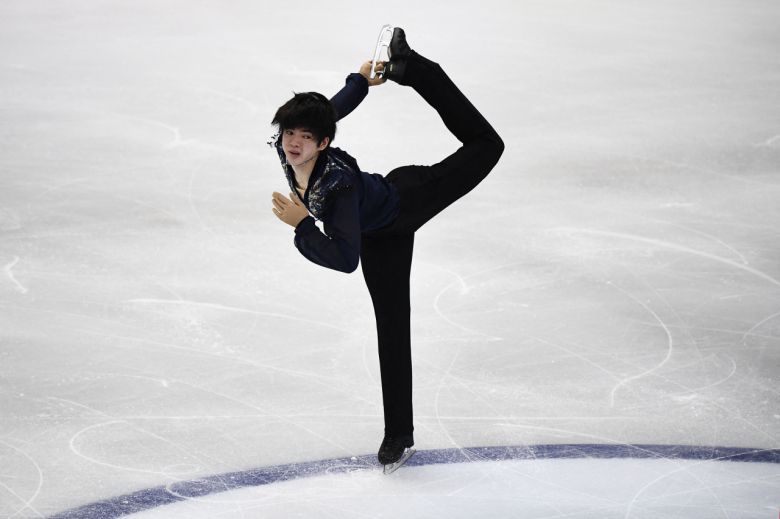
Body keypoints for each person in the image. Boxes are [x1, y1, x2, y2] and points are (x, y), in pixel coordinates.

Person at [270, 28, 504, 470]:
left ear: (324, 143)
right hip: (379, 239)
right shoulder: (289, 151)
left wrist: (302, 227)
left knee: (488, 146)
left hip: (407, 201)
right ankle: (399, 433)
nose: (293, 143)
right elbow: (330, 111)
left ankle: (415, 68)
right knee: (392, 329)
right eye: (288, 134)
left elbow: (344, 258)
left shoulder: (335, 186)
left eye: (304, 136)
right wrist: (359, 80)